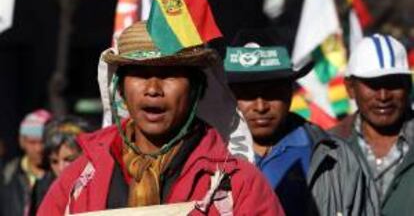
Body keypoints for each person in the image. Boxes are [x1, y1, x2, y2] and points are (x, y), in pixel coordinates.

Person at [38, 22, 284, 215]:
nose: (153, 88)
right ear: (121, 89)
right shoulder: (78, 179)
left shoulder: (238, 185)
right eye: (140, 74)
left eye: (170, 74)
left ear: (197, 89)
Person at [224, 30, 379, 215]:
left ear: (290, 92)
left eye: (272, 91)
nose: (260, 106)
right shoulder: (207, 158)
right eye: (247, 93)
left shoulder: (337, 159)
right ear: (229, 95)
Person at [331, 34, 414, 215]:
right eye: (372, 84)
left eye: (392, 83)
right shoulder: (328, 147)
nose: (383, 96)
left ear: (408, 86)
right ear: (350, 88)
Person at [29, 115, 94, 215]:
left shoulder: (100, 183)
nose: (61, 168)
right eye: (54, 161)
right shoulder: (42, 188)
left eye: (69, 159)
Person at [0, 109, 51, 216]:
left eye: (43, 142)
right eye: (32, 142)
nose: (39, 148)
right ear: (22, 141)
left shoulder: (59, 174)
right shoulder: (6, 175)